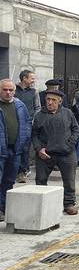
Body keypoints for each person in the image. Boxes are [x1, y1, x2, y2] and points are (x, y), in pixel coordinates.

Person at [32, 90, 79, 215]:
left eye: (53, 100)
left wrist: (69, 145)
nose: (50, 102)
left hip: (66, 153)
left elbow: (76, 130)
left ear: (60, 101)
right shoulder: (39, 115)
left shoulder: (68, 113)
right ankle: (40, 204)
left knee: (69, 181)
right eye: (48, 99)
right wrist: (39, 149)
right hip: (45, 154)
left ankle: (69, 203)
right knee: (40, 180)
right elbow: (34, 134)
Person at [0, 79, 32, 222]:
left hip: (15, 150)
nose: (8, 92)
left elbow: (27, 123)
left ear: (14, 91)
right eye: (4, 89)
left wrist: (24, 140)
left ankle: (3, 208)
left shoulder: (20, 105)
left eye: (10, 90)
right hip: (1, 150)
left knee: (9, 180)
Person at [15, 69, 40, 183]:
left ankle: (23, 172)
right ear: (24, 78)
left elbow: (37, 107)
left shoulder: (34, 92)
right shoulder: (13, 90)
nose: (33, 81)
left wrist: (33, 120)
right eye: (32, 78)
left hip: (27, 123)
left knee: (25, 148)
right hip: (14, 122)